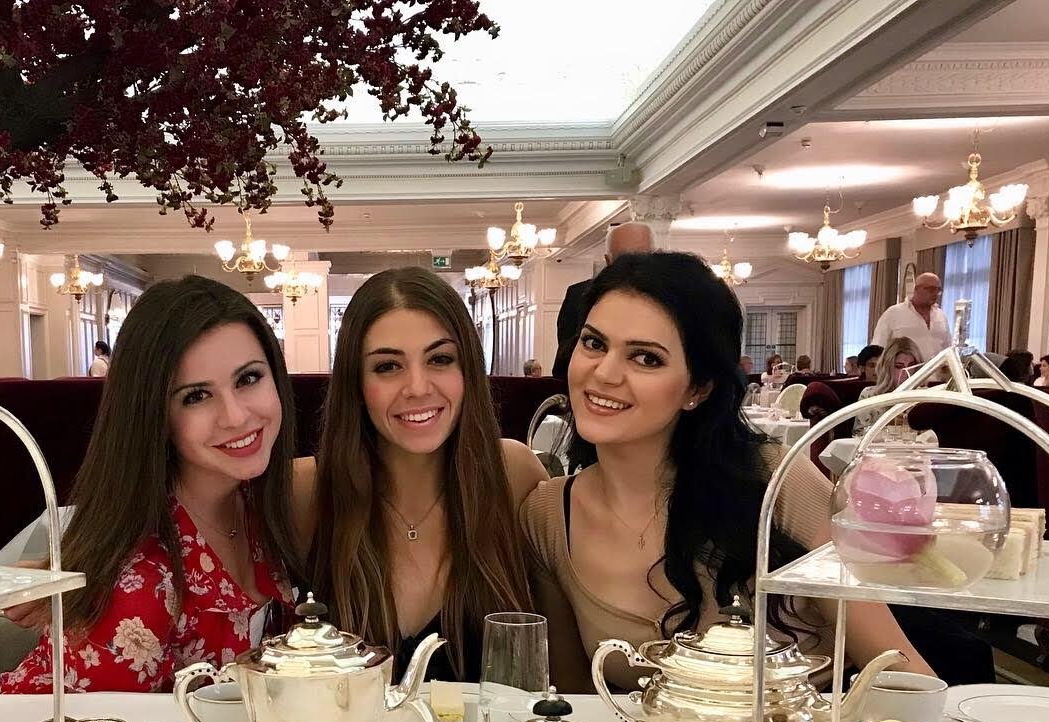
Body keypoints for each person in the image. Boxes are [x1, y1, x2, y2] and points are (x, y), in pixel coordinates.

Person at [521, 252, 934, 692]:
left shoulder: (775, 481)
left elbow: (899, 669)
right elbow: (572, 702)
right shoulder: (548, 515)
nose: (604, 373)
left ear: (698, 389)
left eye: (646, 358)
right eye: (594, 343)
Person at [0, 277, 300, 692]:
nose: (235, 416)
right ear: (154, 414)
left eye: (248, 378)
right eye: (196, 396)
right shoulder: (139, 582)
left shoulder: (254, 496)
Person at [296, 267, 546, 681]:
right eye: (387, 366)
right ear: (356, 383)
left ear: (468, 369)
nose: (417, 387)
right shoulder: (306, 490)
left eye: (440, 359)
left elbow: (560, 683)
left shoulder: (514, 475)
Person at [553, 222, 655, 379]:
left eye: (641, 257)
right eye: (624, 259)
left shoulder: (674, 301)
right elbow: (564, 362)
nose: (633, 267)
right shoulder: (579, 296)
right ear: (608, 260)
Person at [872, 272, 951, 360]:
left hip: (937, 368)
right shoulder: (893, 313)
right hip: (904, 368)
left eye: (938, 290)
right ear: (916, 289)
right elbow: (877, 348)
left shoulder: (941, 316)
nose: (935, 293)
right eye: (931, 289)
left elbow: (948, 349)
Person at [855, 337, 919, 435]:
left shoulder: (925, 396)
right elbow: (859, 434)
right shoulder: (869, 395)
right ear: (887, 368)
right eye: (899, 366)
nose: (906, 372)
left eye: (911, 366)